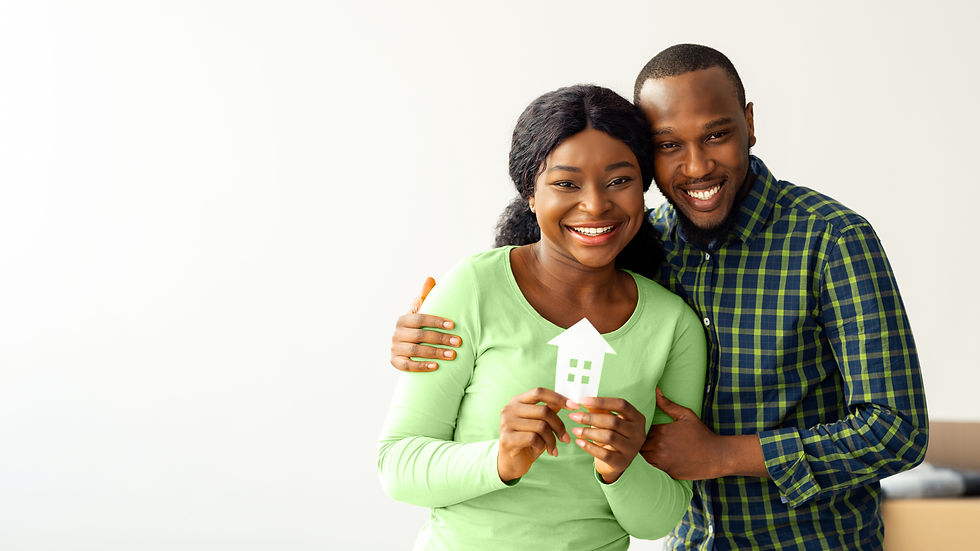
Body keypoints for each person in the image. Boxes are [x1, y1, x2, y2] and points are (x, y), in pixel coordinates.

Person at [388, 45, 928, 550]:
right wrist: (433, 328)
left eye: (716, 135)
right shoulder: (643, 244)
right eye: (670, 145)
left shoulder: (831, 240)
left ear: (751, 125)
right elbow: (540, 280)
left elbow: (898, 431)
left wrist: (721, 455)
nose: (695, 166)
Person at [377, 84, 707, 550]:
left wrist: (622, 465)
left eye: (619, 181)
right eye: (566, 183)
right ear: (531, 194)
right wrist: (501, 459)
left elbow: (659, 520)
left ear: (643, 188)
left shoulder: (674, 327)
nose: (595, 205)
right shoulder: (474, 288)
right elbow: (397, 465)